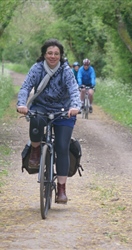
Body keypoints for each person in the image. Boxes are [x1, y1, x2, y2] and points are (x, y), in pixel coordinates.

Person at [17, 38, 81, 204]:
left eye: (56, 54)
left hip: (64, 111)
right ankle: (36, 150)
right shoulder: (37, 69)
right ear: (44, 54)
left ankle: (61, 188)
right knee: (35, 120)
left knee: (62, 146)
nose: (53, 56)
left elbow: (74, 90)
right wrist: (22, 104)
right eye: (50, 53)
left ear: (60, 56)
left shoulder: (66, 71)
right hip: (41, 108)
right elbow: (25, 87)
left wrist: (75, 106)